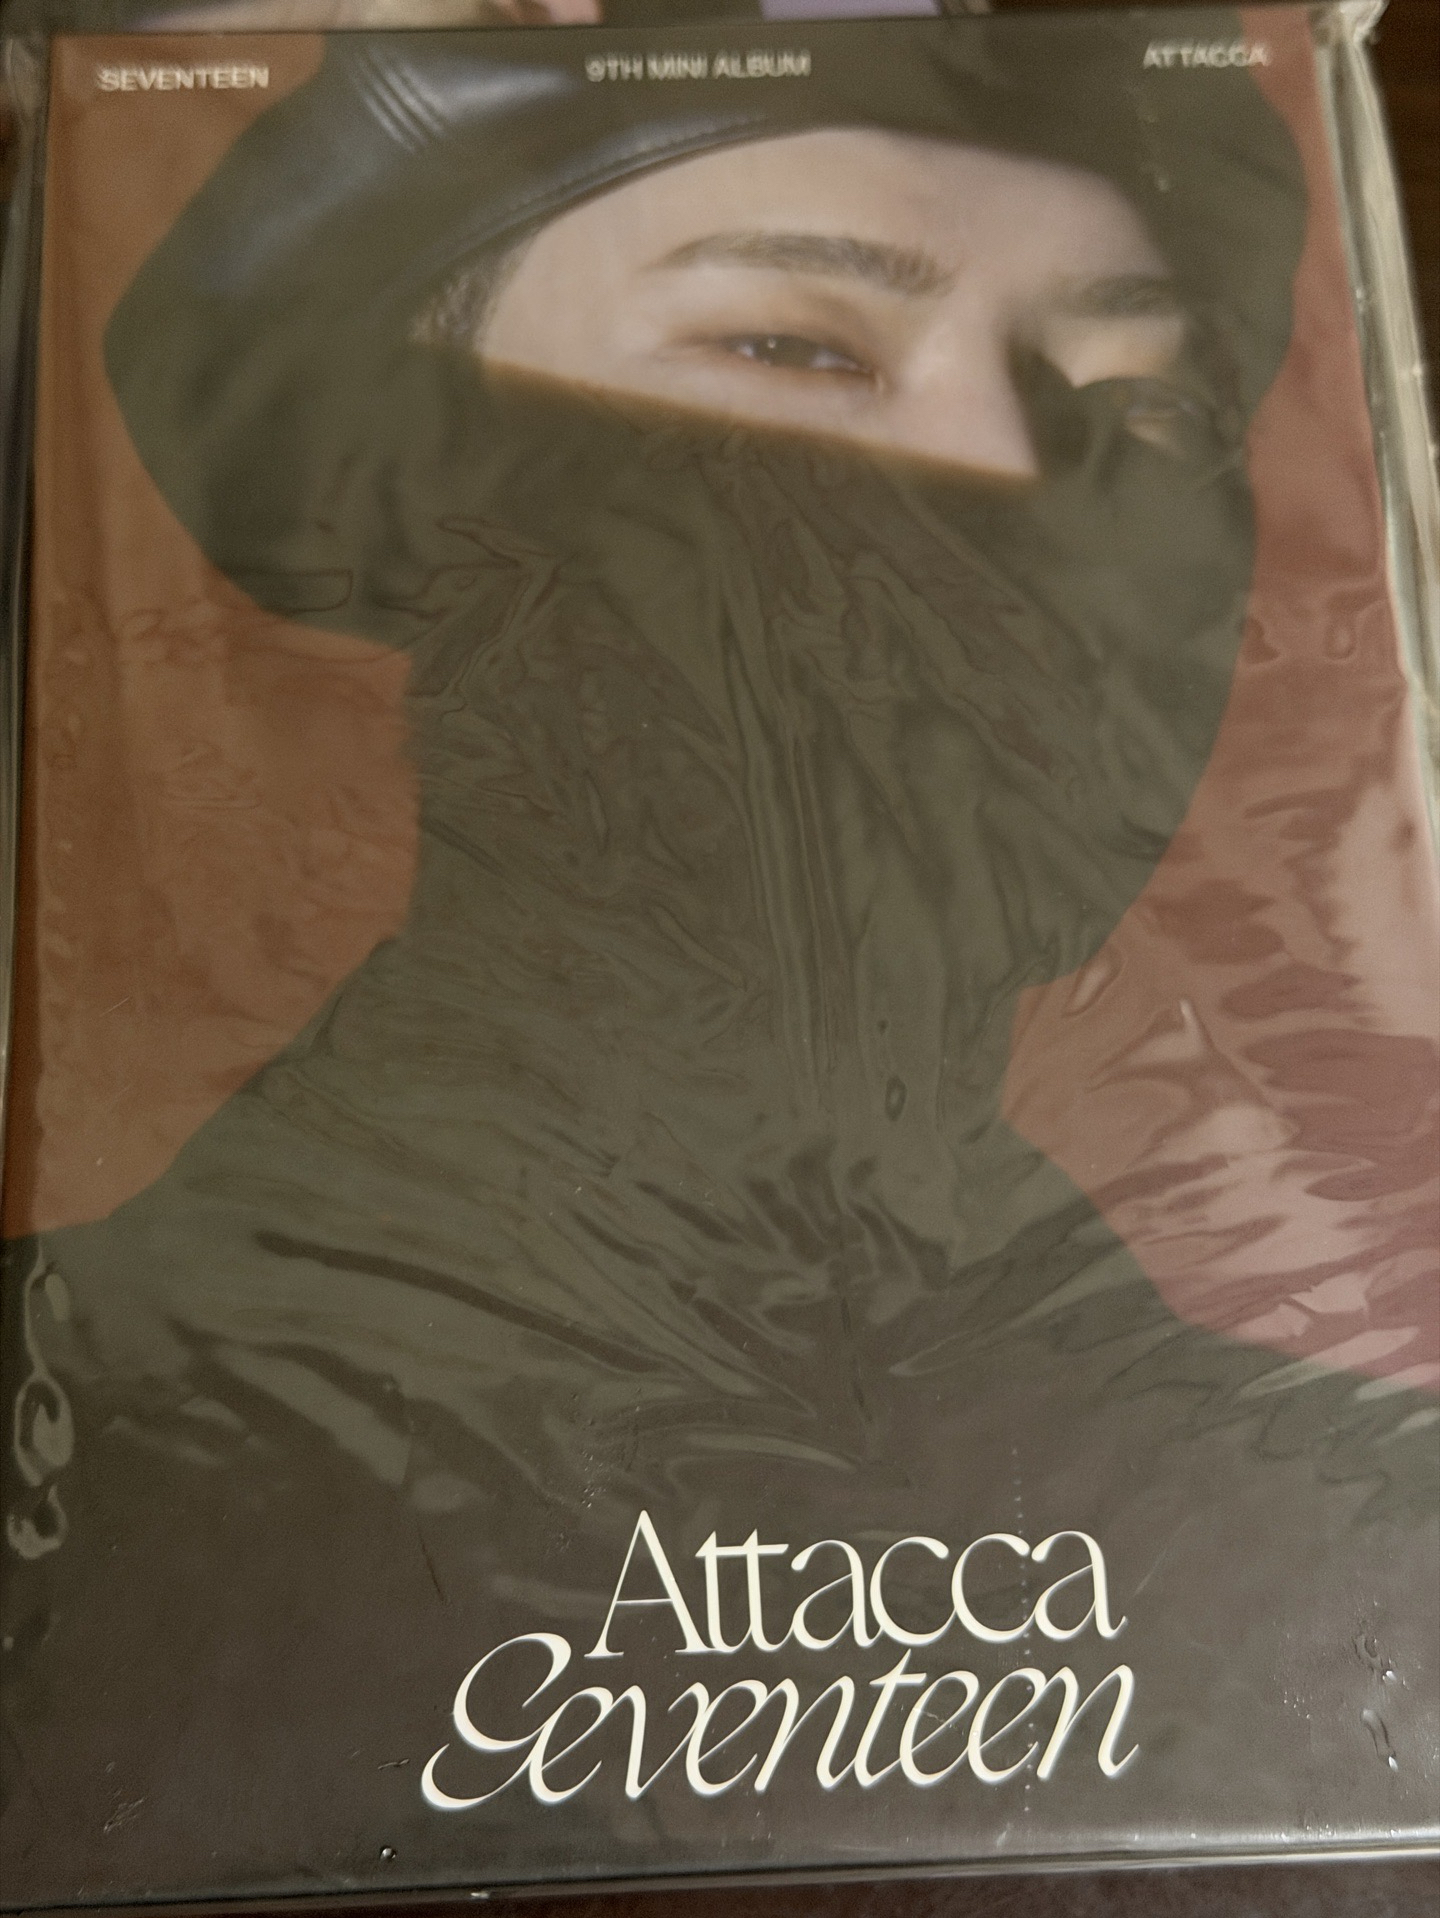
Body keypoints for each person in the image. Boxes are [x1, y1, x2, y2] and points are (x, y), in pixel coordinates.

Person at [4, 14, 1436, 1900]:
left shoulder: (1337, 1526)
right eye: (788, 348)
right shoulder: (97, 1455)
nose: (1007, 476)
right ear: (417, 486)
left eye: (1141, 412)